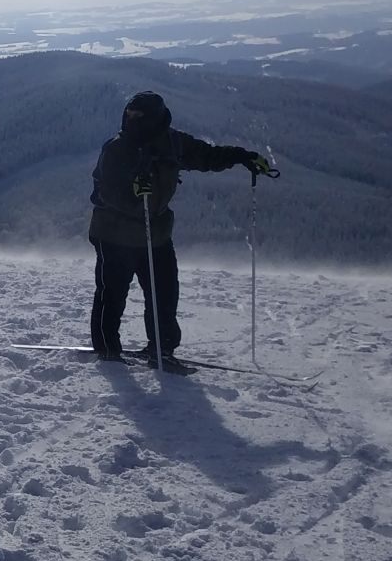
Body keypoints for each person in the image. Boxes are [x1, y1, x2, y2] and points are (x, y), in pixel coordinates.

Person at [89, 90, 277, 364]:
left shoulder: (172, 143)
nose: (131, 120)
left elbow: (207, 156)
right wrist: (132, 195)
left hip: (156, 233)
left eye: (138, 116)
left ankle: (162, 350)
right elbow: (104, 191)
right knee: (112, 294)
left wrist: (242, 157)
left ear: (154, 119)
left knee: (164, 293)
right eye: (129, 114)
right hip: (115, 234)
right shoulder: (116, 149)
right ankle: (108, 351)